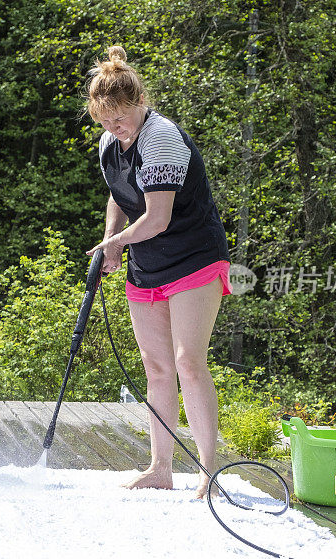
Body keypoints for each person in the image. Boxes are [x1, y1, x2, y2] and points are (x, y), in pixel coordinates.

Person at [85, 46, 232, 498]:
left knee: (189, 362)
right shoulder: (111, 142)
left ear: (138, 102)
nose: (115, 129)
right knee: (156, 366)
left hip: (194, 258)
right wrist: (112, 241)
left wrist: (115, 243)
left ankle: (210, 472)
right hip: (147, 265)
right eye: (106, 122)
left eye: (121, 119)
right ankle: (160, 468)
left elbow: (158, 217)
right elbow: (119, 195)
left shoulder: (162, 136)